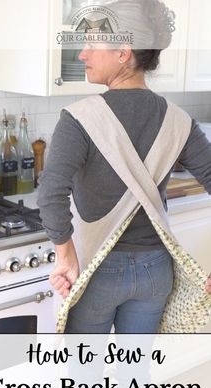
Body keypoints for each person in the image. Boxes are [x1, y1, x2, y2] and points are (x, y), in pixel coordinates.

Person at [38, 0, 211, 334]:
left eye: (91, 44)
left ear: (123, 51)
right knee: (135, 373)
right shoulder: (180, 121)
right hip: (155, 272)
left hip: (99, 271)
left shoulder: (78, 119)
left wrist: (65, 255)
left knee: (83, 375)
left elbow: (50, 192)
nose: (82, 54)